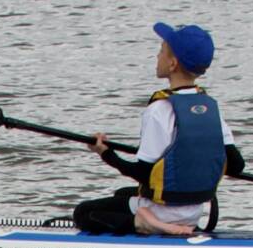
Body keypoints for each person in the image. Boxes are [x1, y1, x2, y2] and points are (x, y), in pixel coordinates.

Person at [72, 22, 244, 237]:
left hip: (163, 212)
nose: (157, 56)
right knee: (122, 194)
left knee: (83, 213)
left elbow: (143, 174)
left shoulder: (159, 110)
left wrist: (106, 154)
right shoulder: (209, 107)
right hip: (195, 210)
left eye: (161, 51)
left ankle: (149, 224)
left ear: (172, 64)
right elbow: (236, 165)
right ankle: (170, 222)